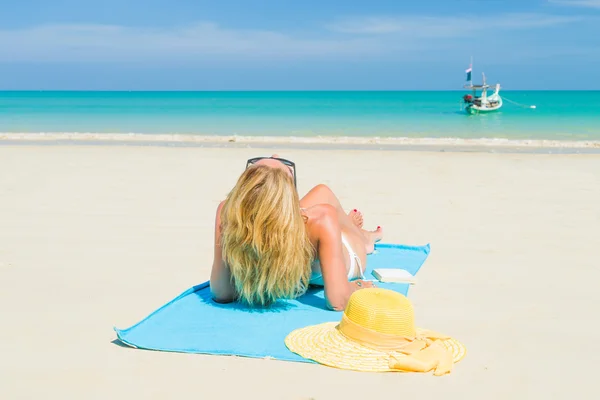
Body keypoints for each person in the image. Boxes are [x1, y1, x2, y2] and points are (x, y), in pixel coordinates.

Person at [209, 155, 383, 311]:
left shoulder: (228, 213)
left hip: (294, 234)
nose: (276, 155)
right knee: (325, 199)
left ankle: (357, 232)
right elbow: (339, 301)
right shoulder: (321, 218)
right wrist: (357, 285)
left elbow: (222, 292)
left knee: (322, 193)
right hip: (343, 250)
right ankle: (360, 236)